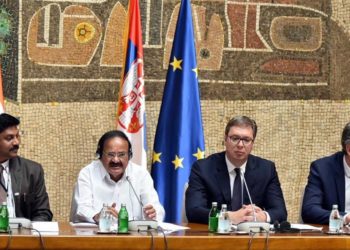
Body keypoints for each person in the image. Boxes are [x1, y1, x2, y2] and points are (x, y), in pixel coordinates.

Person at [185, 115, 287, 224]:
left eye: (246, 140)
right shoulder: (203, 168)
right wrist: (228, 217)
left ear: (253, 143)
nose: (240, 145)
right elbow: (193, 211)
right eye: (235, 138)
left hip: (252, 237)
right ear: (225, 139)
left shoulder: (266, 169)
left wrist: (263, 216)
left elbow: (280, 212)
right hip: (215, 236)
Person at [74, 130, 165, 223]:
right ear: (100, 155)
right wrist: (97, 216)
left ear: (129, 156)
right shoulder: (87, 173)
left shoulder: (141, 174)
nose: (116, 160)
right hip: (96, 234)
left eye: (121, 155)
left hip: (133, 236)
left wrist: (152, 215)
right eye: (110, 154)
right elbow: (82, 208)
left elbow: (156, 209)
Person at [0, 113, 52, 221]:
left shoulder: (32, 171)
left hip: (22, 235)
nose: (16, 142)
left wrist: (28, 233)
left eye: (17, 136)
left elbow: (42, 213)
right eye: (9, 138)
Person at [302, 122, 350, 225]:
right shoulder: (322, 169)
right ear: (349, 149)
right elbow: (310, 210)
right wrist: (345, 218)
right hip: (336, 237)